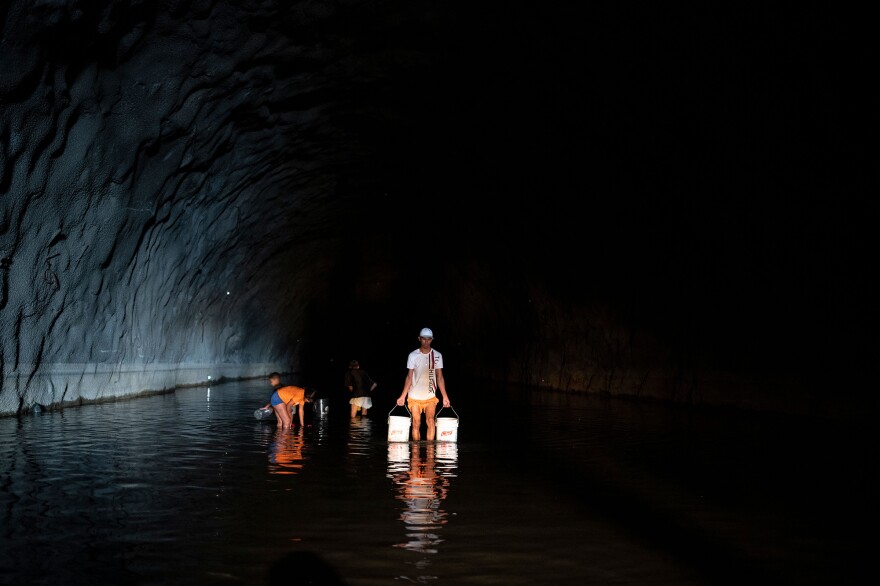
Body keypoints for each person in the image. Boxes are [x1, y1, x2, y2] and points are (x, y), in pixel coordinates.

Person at [396, 327, 451, 441]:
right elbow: (409, 377)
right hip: (414, 396)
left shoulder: (437, 355)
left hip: (430, 395)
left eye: (429, 339)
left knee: (430, 421)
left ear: (432, 340)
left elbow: (440, 377)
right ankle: (415, 453)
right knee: (416, 422)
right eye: (424, 339)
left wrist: (445, 396)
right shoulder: (413, 355)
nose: (426, 342)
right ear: (419, 339)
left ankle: (430, 454)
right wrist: (402, 396)